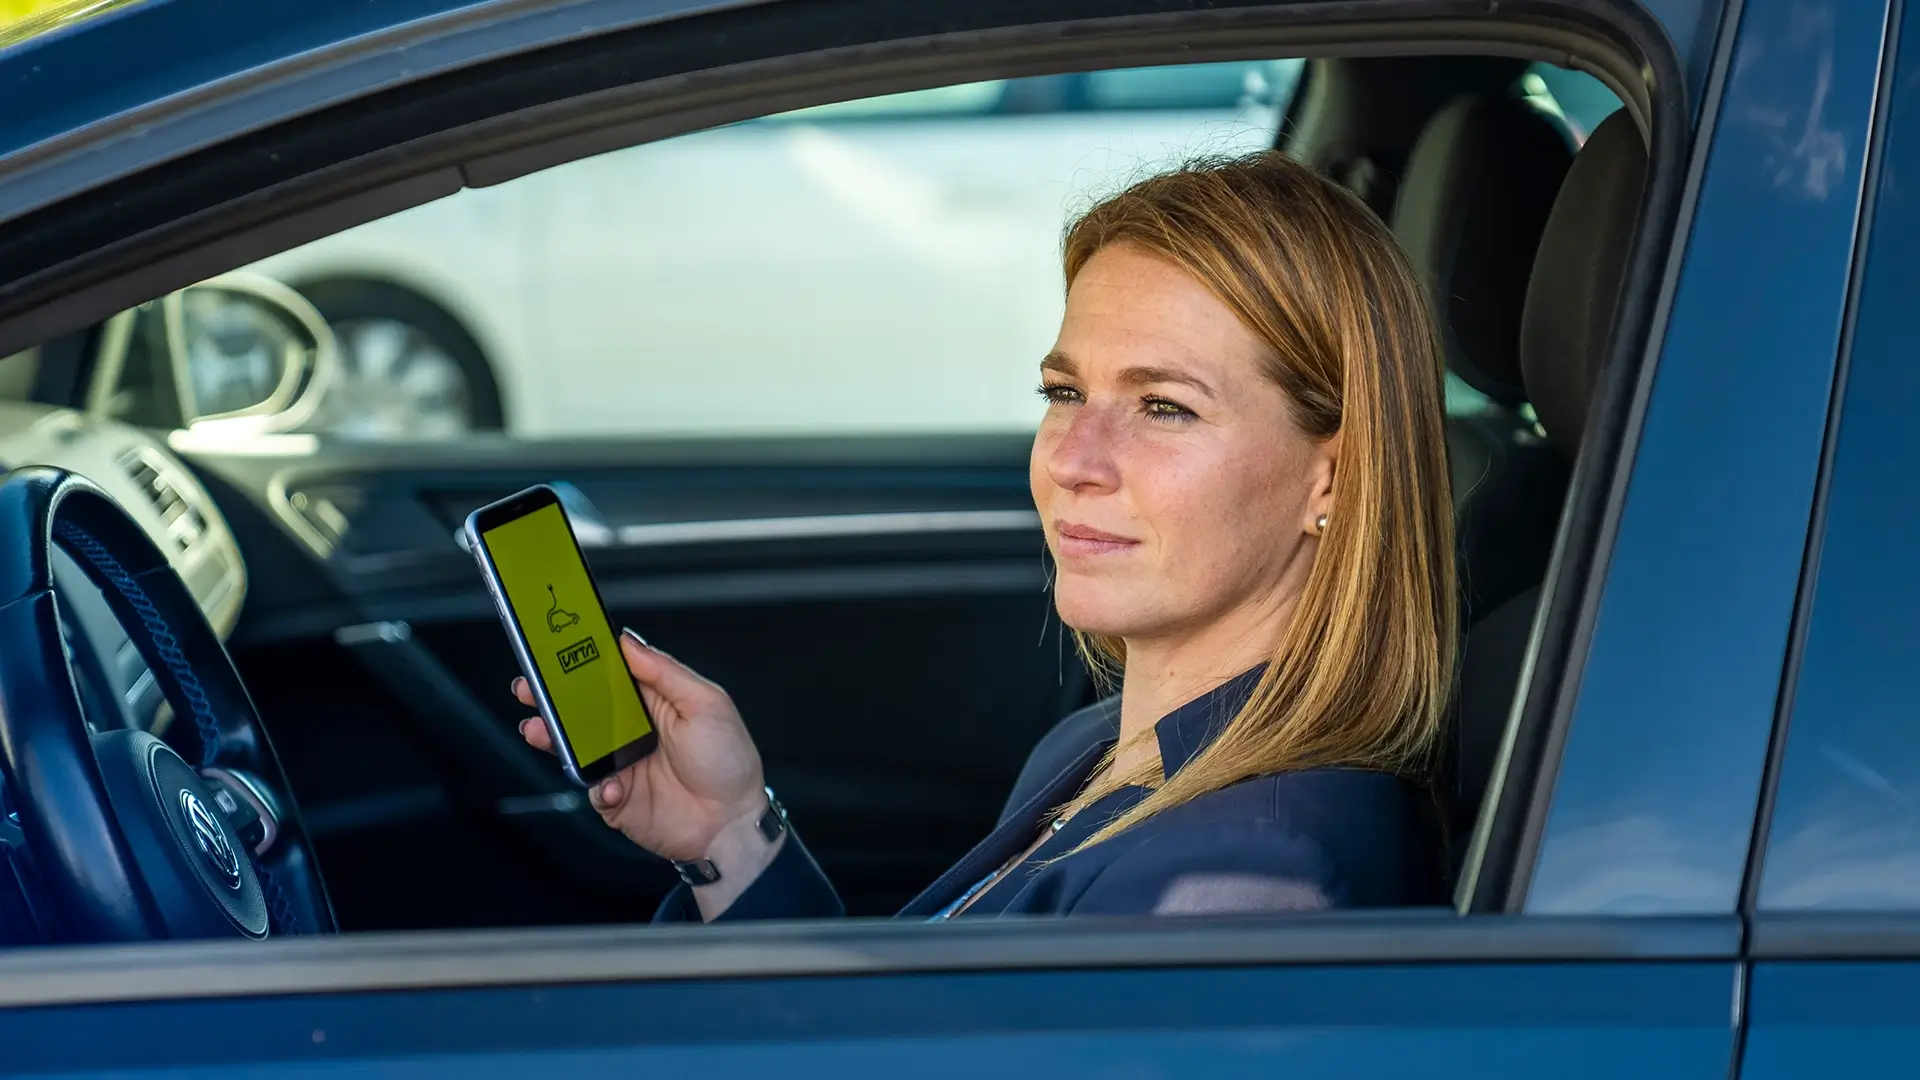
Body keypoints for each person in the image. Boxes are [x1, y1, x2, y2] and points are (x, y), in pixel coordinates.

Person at [514, 150, 1458, 921]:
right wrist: (729, 834)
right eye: (1065, 393)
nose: (1072, 458)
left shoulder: (1247, 882)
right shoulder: (1102, 746)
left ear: (1329, 476)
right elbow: (903, 1043)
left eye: (1164, 407)